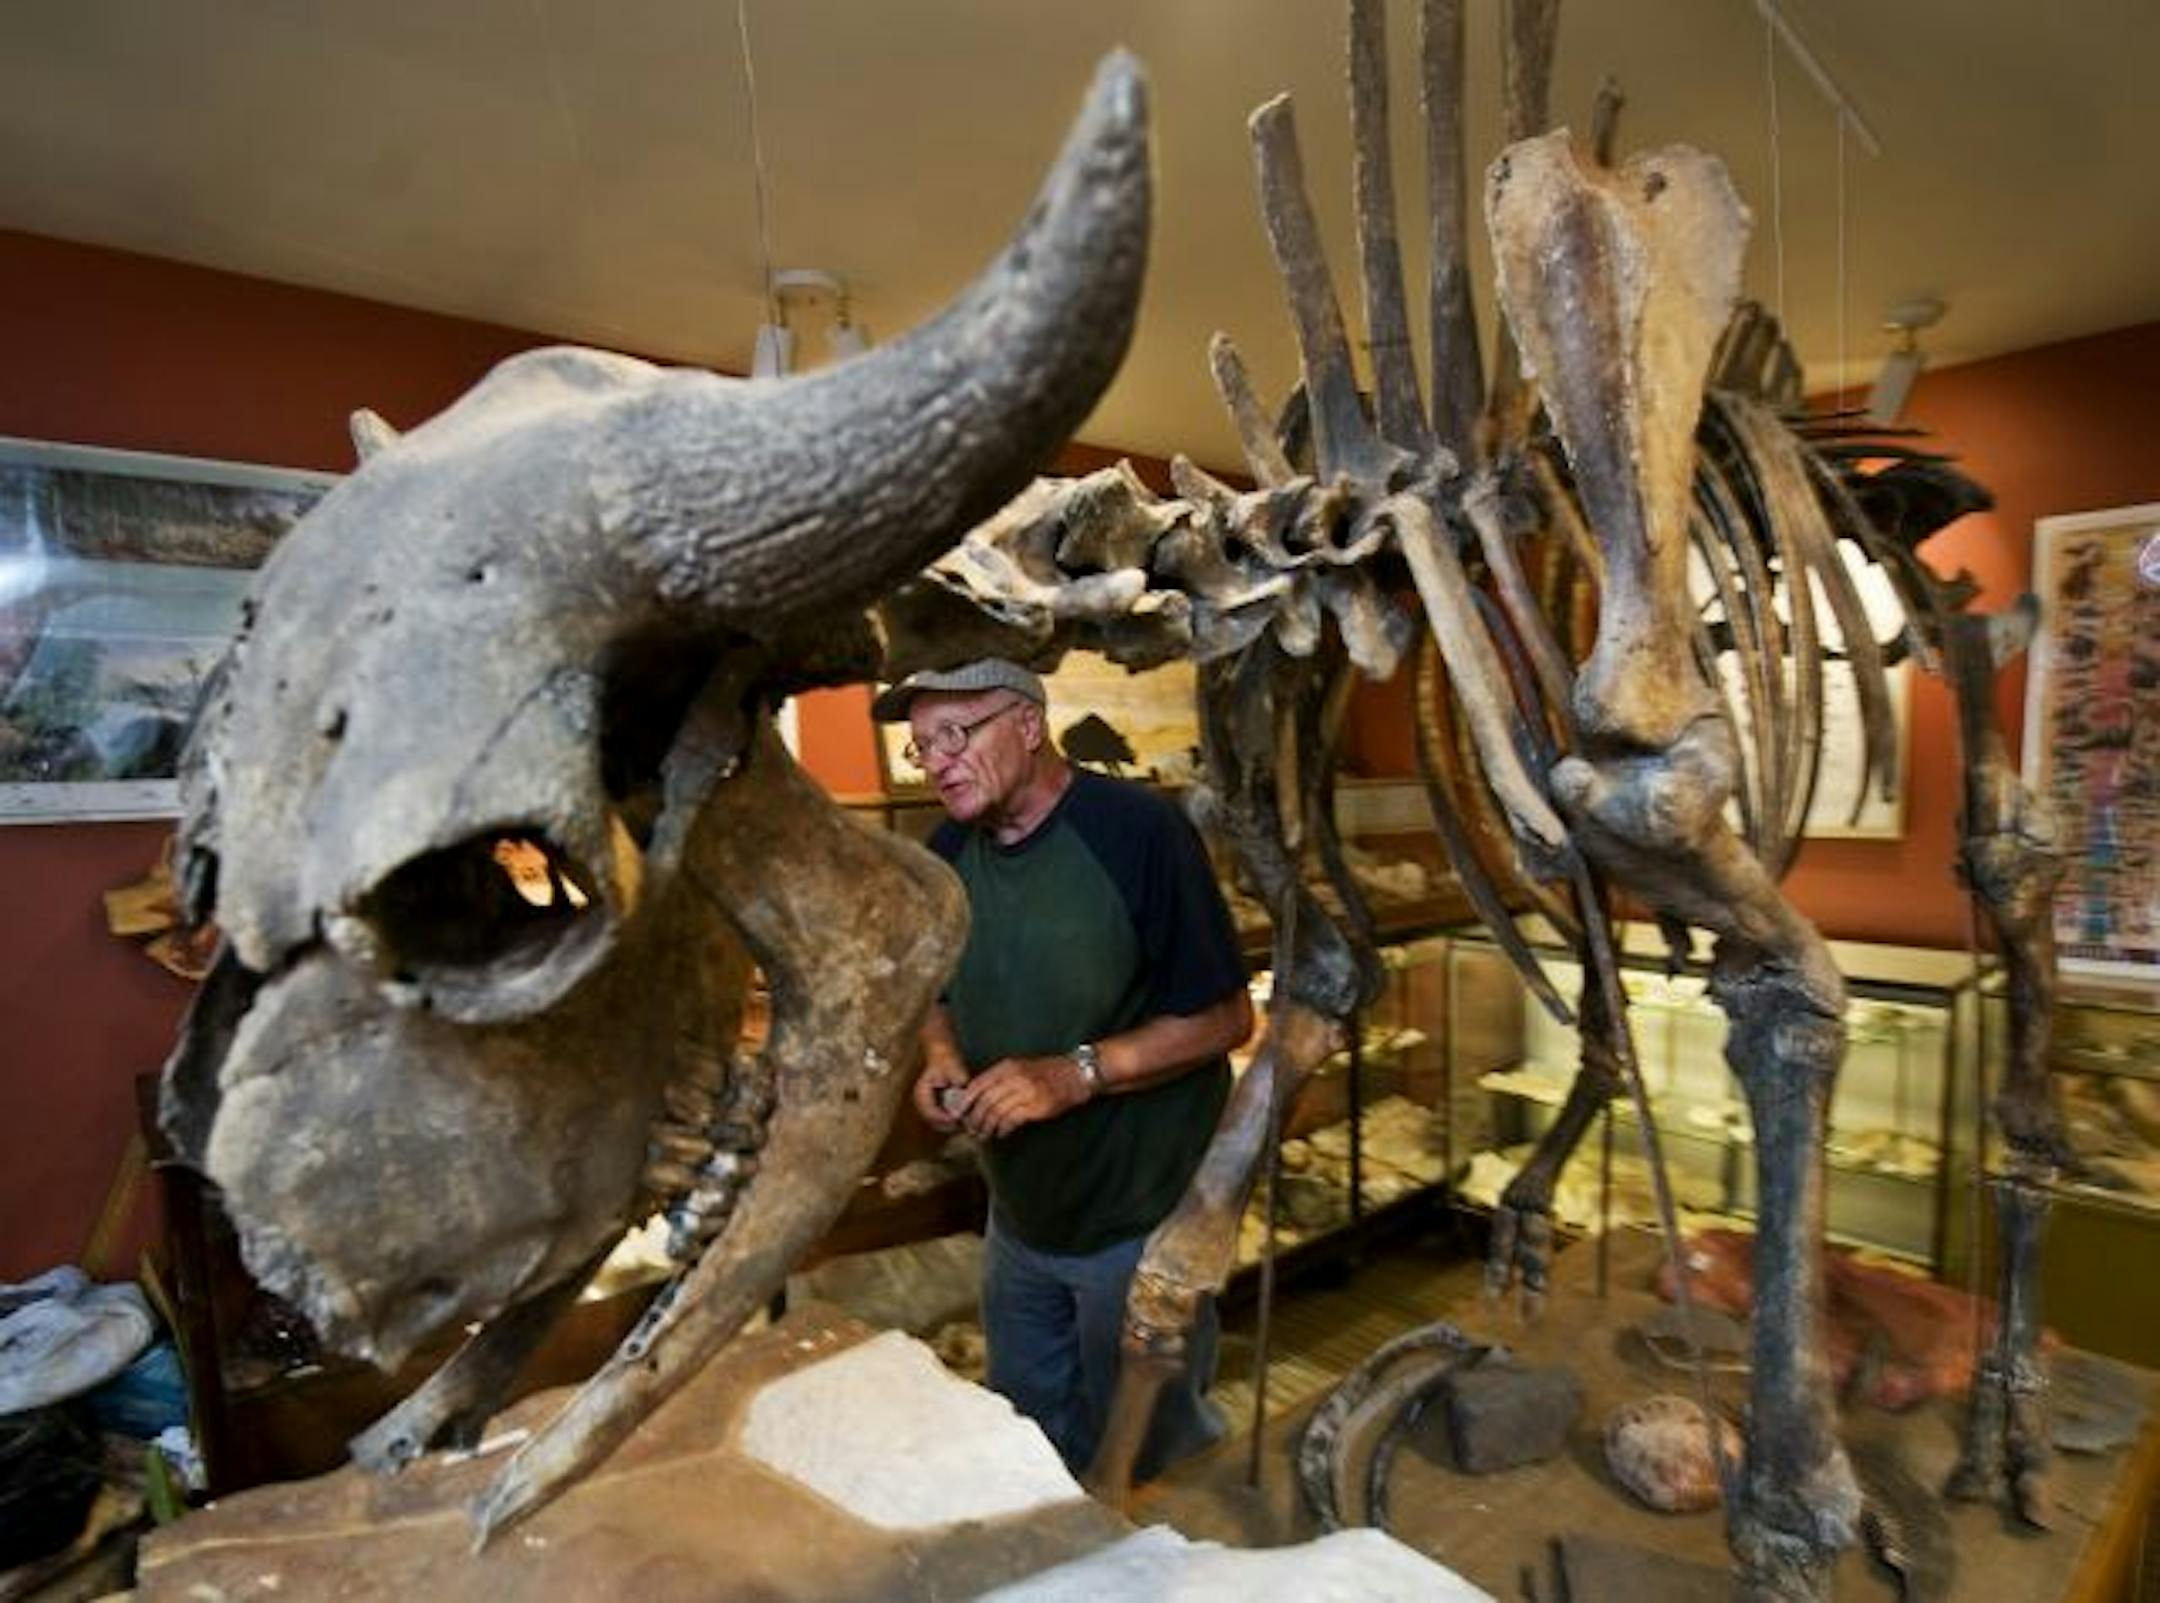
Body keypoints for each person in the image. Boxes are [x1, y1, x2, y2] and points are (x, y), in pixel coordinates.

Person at [872, 657, 1253, 1480]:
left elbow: (1228, 1017)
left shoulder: (1138, 833)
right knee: (1031, 1447)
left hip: (1139, 1222)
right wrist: (939, 1053)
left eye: (953, 734)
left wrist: (1076, 1073)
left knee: (1153, 1461)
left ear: (1028, 725)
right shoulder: (947, 851)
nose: (936, 760)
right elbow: (933, 991)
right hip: (1020, 1226)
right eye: (921, 746)